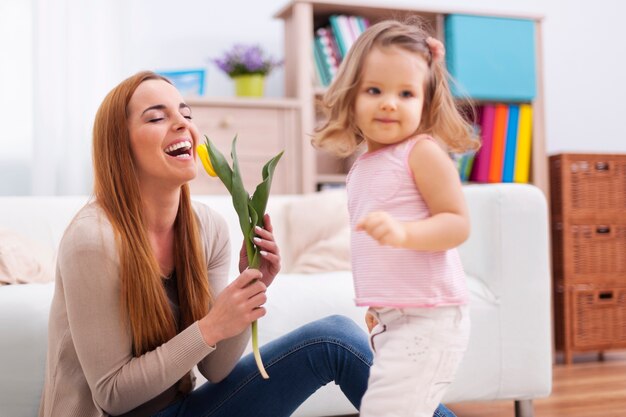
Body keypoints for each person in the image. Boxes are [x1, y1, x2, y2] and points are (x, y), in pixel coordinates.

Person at [37, 70, 458, 417]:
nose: (182, 122)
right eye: (155, 117)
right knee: (331, 338)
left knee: (332, 339)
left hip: (181, 410)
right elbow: (112, 395)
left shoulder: (206, 227)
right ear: (120, 146)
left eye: (184, 112)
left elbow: (216, 370)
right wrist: (211, 326)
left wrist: (248, 289)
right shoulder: (93, 241)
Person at [313, 18, 480, 417]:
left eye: (406, 93)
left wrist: (404, 233)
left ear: (425, 101)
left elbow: (457, 223)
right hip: (394, 320)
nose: (390, 102)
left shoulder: (421, 152)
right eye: (375, 90)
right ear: (351, 95)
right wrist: (380, 305)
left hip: (431, 320)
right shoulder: (362, 167)